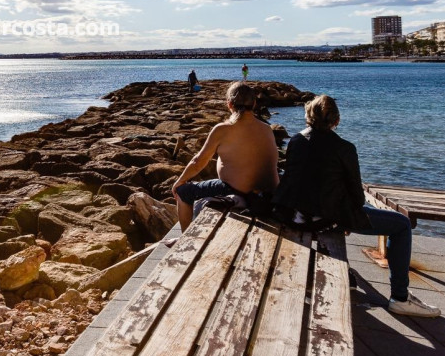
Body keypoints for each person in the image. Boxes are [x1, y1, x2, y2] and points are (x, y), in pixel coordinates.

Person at [273, 95, 440, 318]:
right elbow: (356, 196)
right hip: (327, 217)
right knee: (401, 224)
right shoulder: (344, 148)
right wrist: (348, 218)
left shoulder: (295, 141)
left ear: (308, 116)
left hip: (295, 214)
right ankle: (400, 297)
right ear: (336, 120)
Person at [171, 82, 279, 230]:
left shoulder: (223, 129)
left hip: (239, 191)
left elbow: (198, 161)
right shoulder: (266, 128)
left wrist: (179, 181)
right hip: (268, 193)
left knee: (183, 192)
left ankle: (184, 237)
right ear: (254, 103)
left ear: (229, 104)